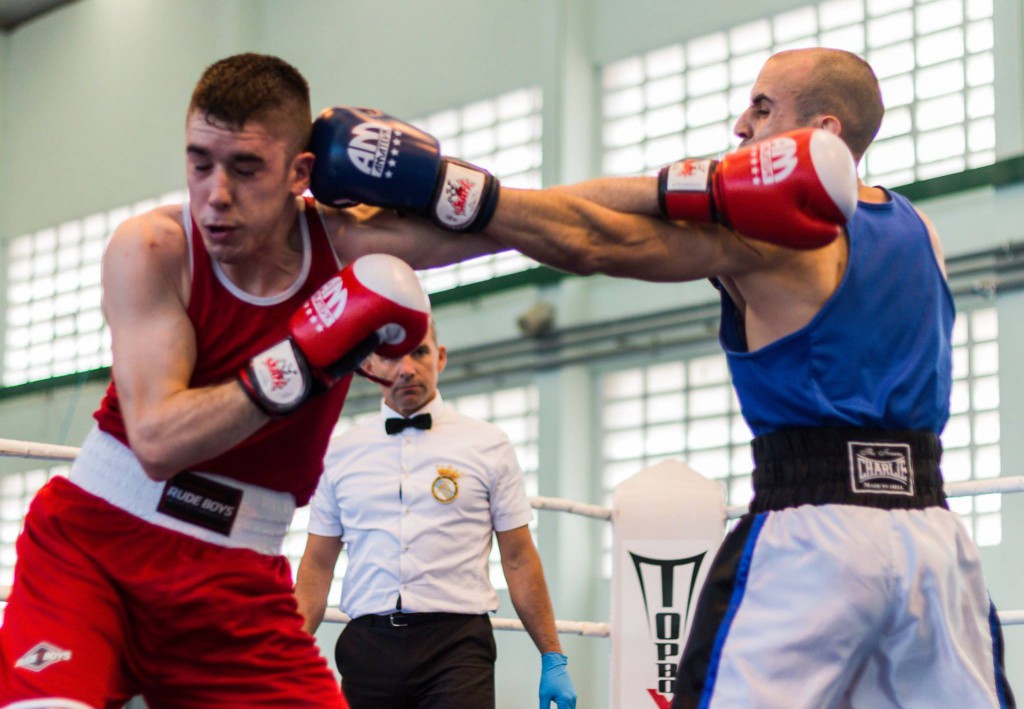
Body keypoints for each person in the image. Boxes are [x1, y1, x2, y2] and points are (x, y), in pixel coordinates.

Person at [306, 48, 1015, 707]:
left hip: (816, 538)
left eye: (764, 108)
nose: (741, 123)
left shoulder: (772, 237)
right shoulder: (924, 231)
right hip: (934, 542)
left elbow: (590, 236)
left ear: (823, 133)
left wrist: (434, 198)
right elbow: (619, 204)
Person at [0, 53, 502, 708]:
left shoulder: (346, 249)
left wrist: (656, 196)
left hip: (238, 583)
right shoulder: (156, 247)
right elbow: (153, 440)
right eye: (198, 162)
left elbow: (565, 233)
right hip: (97, 546)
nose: (216, 192)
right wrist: (307, 355)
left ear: (300, 174)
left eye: (243, 167)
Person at [294, 321, 577, 709]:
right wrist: (289, 657)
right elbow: (317, 565)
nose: (406, 368)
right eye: (391, 357)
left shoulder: (487, 445)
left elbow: (518, 557)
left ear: (440, 357)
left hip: (457, 646)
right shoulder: (342, 452)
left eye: (420, 352)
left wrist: (552, 654)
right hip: (367, 647)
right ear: (369, 366)